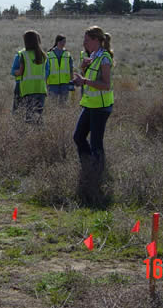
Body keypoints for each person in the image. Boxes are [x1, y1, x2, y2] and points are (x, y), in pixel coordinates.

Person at [71, 26, 114, 205]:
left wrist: (85, 81)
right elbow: (88, 80)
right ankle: (88, 166)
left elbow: (105, 85)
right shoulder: (92, 57)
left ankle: (97, 174)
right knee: (78, 137)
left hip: (101, 106)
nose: (84, 43)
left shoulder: (104, 57)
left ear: (97, 40)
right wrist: (82, 71)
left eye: (87, 40)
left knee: (96, 143)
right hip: (89, 104)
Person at [13, 30, 47, 122]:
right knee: (38, 117)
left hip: (28, 90)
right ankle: (39, 135)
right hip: (41, 89)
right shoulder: (43, 55)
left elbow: (20, 72)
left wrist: (14, 72)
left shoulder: (24, 55)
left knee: (30, 119)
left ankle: (31, 135)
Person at [46, 35, 74, 104]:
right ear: (58, 42)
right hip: (52, 82)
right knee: (52, 103)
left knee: (63, 103)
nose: (64, 43)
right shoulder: (49, 54)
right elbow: (46, 69)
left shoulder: (68, 54)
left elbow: (71, 68)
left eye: (65, 42)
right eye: (62, 41)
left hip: (65, 82)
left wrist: (71, 81)